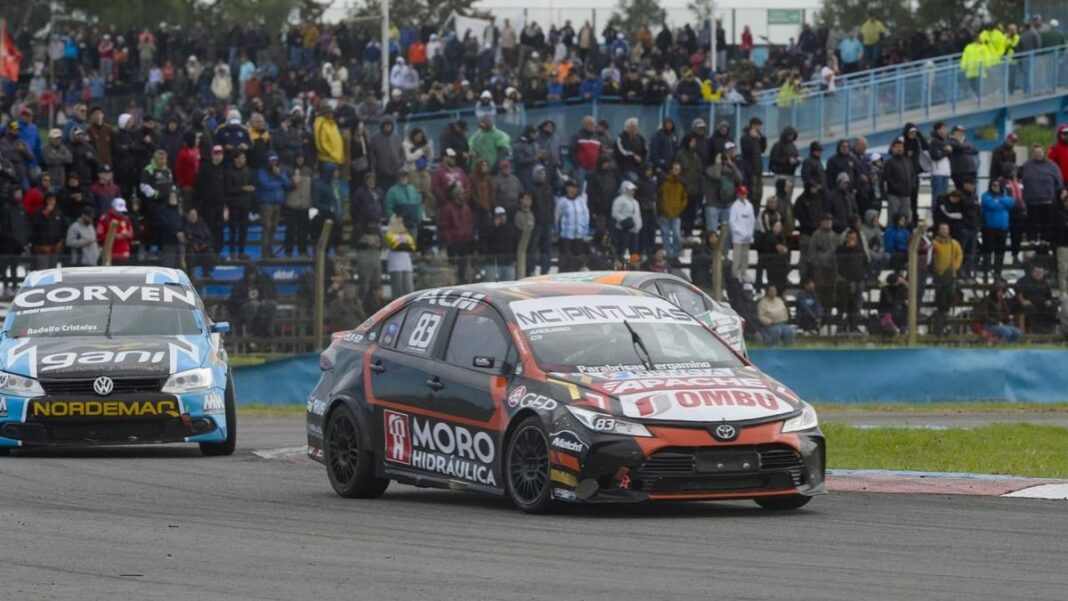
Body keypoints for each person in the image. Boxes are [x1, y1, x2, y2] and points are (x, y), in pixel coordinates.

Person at [1018, 144, 1063, 245]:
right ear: (1032, 154)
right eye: (1035, 153)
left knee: (1046, 222)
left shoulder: (1052, 166)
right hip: (1031, 200)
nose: (1037, 154)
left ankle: (1045, 239)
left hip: (1047, 200)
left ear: (1043, 153)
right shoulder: (1026, 165)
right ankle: (1032, 239)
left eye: (1039, 152)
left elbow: (1059, 182)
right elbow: (1018, 178)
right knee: (1031, 222)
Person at [255, 153, 291, 257]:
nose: (273, 163)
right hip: (266, 203)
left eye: (275, 160)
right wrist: (279, 181)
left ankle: (270, 250)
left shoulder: (280, 171)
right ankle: (264, 252)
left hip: (278, 203)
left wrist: (279, 175)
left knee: (274, 227)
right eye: (271, 161)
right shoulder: (261, 172)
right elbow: (266, 185)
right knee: (267, 227)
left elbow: (287, 183)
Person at [930, 222, 962, 335]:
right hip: (939, 276)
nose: (944, 231)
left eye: (946, 229)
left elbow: (959, 256)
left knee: (950, 298)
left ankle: (944, 323)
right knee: (941, 300)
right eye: (942, 229)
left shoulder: (954, 243)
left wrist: (955, 267)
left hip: (951, 275)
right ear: (938, 231)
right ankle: (939, 326)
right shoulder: (934, 243)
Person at [228, 264, 277, 339]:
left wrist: (264, 300)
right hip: (242, 310)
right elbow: (234, 300)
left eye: (254, 274)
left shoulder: (259, 284)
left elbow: (263, 295)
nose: (253, 276)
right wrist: (248, 301)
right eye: (251, 274)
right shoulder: (239, 285)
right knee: (253, 305)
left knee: (271, 305)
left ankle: (265, 328)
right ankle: (249, 329)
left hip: (259, 309)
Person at [439, 184, 476, 283]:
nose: (463, 196)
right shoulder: (448, 208)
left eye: (464, 194)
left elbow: (470, 224)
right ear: (456, 195)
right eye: (461, 194)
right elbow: (444, 225)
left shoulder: (467, 208)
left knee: (463, 267)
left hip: (465, 241)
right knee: (452, 266)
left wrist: (470, 237)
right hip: (453, 242)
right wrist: (449, 240)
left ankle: (462, 282)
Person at [980, 178, 1014, 282]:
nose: (996, 187)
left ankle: (997, 274)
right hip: (989, 228)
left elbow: (1011, 202)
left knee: (1000, 252)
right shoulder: (986, 195)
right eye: (994, 185)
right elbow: (989, 204)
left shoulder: (1004, 195)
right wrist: (1002, 203)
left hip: (1002, 229)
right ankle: (986, 273)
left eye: (998, 185)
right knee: (988, 251)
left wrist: (999, 201)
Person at [835, 228, 868, 333]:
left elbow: (865, 261)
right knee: (842, 305)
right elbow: (840, 263)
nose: (851, 240)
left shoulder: (859, 249)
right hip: (844, 281)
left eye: (854, 238)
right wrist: (849, 249)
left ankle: (854, 326)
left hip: (858, 280)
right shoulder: (840, 249)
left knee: (855, 306)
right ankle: (840, 326)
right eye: (850, 238)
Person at [224, 151, 255, 259]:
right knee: (233, 229)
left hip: (245, 204)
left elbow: (252, 185)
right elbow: (228, 189)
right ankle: (232, 252)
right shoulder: (229, 172)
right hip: (234, 205)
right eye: (242, 158)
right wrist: (242, 188)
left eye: (244, 158)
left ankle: (241, 252)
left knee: (244, 229)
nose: (244, 160)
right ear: (236, 159)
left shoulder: (248, 171)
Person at [1012, 263, 1056, 334]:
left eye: (1040, 272)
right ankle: (1025, 332)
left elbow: (1048, 296)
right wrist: (1022, 300)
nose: (1038, 274)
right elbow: (1017, 291)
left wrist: (1048, 301)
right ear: (1032, 272)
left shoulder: (1045, 282)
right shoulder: (1024, 280)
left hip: (1041, 304)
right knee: (1027, 308)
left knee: (1053, 308)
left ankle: (1048, 331)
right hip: (1027, 303)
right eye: (1036, 272)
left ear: (1043, 273)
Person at [313, 163, 347, 252]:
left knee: (339, 243)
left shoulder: (336, 184)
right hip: (326, 218)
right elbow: (316, 203)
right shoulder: (320, 185)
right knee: (326, 243)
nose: (337, 173)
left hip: (337, 217)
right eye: (335, 171)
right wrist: (328, 208)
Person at [657, 163, 687, 261]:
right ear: (671, 170)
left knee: (677, 234)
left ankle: (676, 253)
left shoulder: (681, 183)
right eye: (675, 169)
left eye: (678, 169)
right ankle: (668, 253)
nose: (676, 171)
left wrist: (680, 209)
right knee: (665, 234)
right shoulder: (663, 182)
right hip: (664, 213)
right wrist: (660, 208)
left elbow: (684, 198)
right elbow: (658, 196)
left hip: (676, 213)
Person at [481, 206, 518, 281]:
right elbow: (483, 241)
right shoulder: (488, 228)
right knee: (490, 285)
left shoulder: (509, 229)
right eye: (499, 216)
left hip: (508, 263)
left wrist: (514, 259)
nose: (502, 218)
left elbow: (515, 243)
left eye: (503, 215)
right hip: (492, 263)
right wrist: (494, 226)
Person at [884, 138, 916, 224]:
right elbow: (888, 178)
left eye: (901, 147)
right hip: (894, 195)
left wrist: (912, 186)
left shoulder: (908, 161)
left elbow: (913, 175)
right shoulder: (889, 162)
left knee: (906, 217)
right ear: (893, 148)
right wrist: (896, 187)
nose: (900, 149)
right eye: (897, 147)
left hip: (906, 194)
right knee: (893, 217)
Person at [384, 215, 416, 298]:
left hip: (406, 262)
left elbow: (412, 246)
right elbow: (394, 246)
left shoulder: (406, 234)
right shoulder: (389, 233)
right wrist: (403, 246)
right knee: (397, 289)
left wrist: (403, 246)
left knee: (408, 287)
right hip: (395, 264)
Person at [728, 185, 755, 282]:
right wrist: (740, 232)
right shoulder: (734, 207)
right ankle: (735, 273)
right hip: (738, 237)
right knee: (737, 256)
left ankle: (744, 273)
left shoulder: (749, 205)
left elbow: (752, 221)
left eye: (745, 194)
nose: (743, 196)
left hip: (747, 236)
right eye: (741, 194)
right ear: (738, 194)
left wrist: (749, 234)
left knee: (745, 256)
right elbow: (732, 222)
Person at [32, 193, 65, 269]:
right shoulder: (39, 212)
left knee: (53, 268)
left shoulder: (58, 213)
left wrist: (60, 242)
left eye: (53, 200)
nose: (51, 202)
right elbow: (36, 225)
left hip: (55, 246)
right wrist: (45, 214)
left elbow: (62, 228)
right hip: (42, 247)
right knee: (43, 269)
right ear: (46, 200)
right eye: (49, 200)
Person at [757, 220, 790, 293]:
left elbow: (785, 249)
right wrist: (781, 248)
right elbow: (778, 247)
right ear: (773, 227)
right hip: (767, 258)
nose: (779, 228)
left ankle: (781, 288)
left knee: (784, 264)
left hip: (777, 259)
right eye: (777, 226)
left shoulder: (781, 236)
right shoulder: (769, 235)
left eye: (780, 226)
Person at [611, 180, 642, 258]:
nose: (632, 191)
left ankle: (634, 266)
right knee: (622, 248)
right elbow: (614, 213)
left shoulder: (635, 202)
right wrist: (625, 221)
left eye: (633, 190)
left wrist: (639, 225)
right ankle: (620, 264)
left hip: (635, 230)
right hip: (623, 229)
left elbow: (638, 215)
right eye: (630, 189)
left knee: (634, 250)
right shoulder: (619, 200)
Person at [739, 118, 766, 204]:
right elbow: (746, 150)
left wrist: (762, 137)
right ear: (753, 126)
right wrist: (753, 139)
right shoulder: (745, 137)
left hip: (758, 170)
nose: (760, 128)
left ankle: (756, 212)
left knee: (759, 194)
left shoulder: (758, 137)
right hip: (750, 170)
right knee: (752, 194)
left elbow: (762, 149)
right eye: (759, 126)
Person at [158, 188, 186, 268]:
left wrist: (183, 233)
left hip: (181, 242)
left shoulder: (180, 209)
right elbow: (165, 224)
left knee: (181, 265)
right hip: (168, 242)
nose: (173, 198)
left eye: (174, 196)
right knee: (169, 265)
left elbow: (185, 222)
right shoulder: (164, 210)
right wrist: (176, 233)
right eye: (171, 196)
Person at [769, 126, 800, 199]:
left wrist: (797, 161)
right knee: (780, 195)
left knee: (789, 196)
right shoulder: (778, 145)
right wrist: (787, 160)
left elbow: (796, 156)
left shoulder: (793, 146)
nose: (791, 137)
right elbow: (774, 159)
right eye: (790, 135)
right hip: (781, 174)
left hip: (791, 174)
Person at [185, 207, 215, 277]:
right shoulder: (185, 225)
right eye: (191, 215)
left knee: (210, 252)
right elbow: (186, 238)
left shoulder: (202, 225)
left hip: (202, 247)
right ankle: (190, 275)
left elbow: (209, 237)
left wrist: (205, 244)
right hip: (191, 247)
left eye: (194, 215)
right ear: (188, 216)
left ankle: (206, 272)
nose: (193, 217)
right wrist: (193, 245)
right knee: (190, 254)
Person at [948, 125, 979, 190]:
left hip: (971, 170)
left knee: (972, 190)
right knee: (961, 190)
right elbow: (958, 147)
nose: (961, 133)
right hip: (958, 171)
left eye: (963, 132)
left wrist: (962, 150)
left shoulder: (966, 141)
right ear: (954, 132)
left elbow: (975, 150)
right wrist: (966, 148)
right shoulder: (950, 141)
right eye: (959, 131)